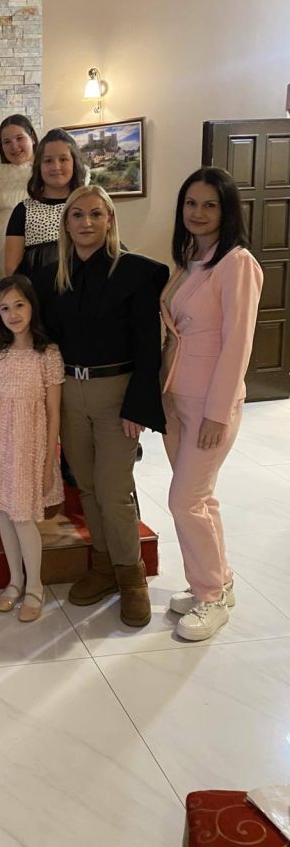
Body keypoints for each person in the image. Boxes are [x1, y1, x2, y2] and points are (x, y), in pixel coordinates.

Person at [34, 185, 169, 627]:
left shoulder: (136, 273)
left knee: (114, 492)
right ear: (66, 223)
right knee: (88, 487)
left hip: (117, 393)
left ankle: (131, 576)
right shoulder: (53, 277)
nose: (86, 222)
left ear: (109, 219)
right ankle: (103, 565)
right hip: (70, 391)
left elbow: (149, 346)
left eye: (95, 214)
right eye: (77, 215)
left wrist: (139, 406)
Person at [160, 168, 262, 641]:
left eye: (209, 205)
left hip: (208, 402)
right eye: (191, 203)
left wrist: (219, 413)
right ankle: (219, 579)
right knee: (200, 498)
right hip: (176, 396)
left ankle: (211, 597)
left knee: (184, 501)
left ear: (227, 210)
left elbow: (238, 343)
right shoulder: (192, 259)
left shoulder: (237, 263)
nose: (198, 213)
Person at [0, 276, 64, 622]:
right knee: (5, 513)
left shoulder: (47, 353)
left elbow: (53, 411)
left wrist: (49, 460)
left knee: (23, 516)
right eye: (5, 308)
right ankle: (15, 581)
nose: (13, 314)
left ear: (32, 306)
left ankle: (35, 586)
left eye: (19, 305)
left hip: (29, 444)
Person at [4, 128, 87, 281]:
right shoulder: (23, 210)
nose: (56, 167)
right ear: (39, 166)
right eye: (48, 161)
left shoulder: (87, 206)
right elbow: (11, 268)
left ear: (74, 162)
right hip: (37, 290)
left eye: (63, 159)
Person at [0, 114, 38, 266]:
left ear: (32, 138)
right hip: (1, 244)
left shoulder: (46, 173)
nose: (14, 146)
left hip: (36, 242)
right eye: (7, 142)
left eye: (19, 138)